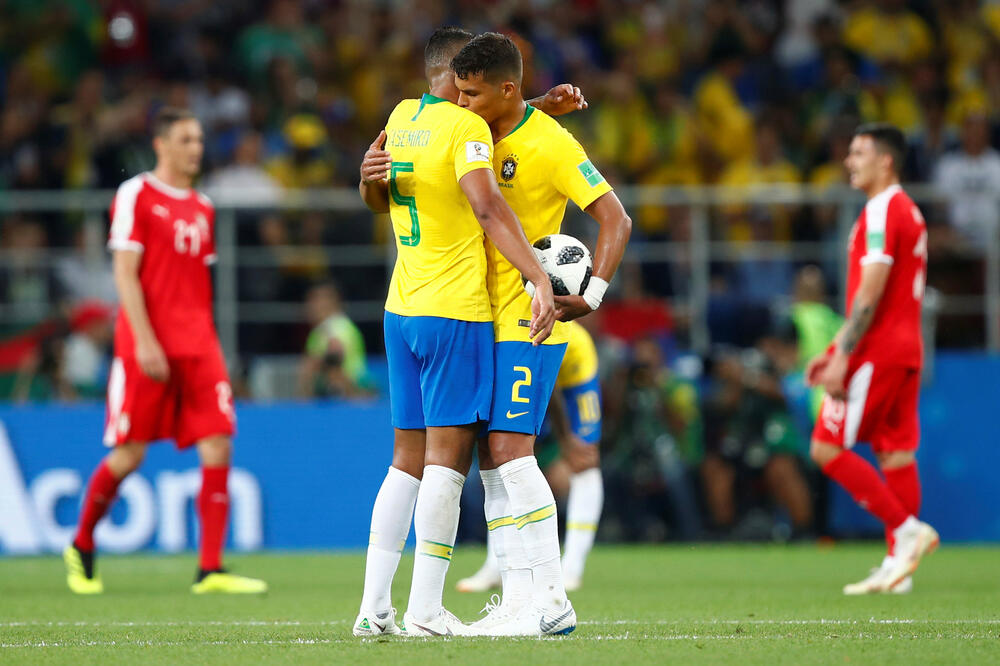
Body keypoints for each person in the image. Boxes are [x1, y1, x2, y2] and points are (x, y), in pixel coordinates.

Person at [352, 27, 572, 637]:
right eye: (469, 86)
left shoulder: (400, 118)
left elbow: (380, 192)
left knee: (405, 461)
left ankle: (373, 610)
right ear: (455, 77)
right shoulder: (464, 127)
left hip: (401, 306)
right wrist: (537, 278)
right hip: (457, 311)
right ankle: (424, 609)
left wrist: (532, 112)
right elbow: (487, 206)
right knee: (448, 468)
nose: (474, 97)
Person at [451, 32, 631, 636]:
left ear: (504, 87)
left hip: (530, 320)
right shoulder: (476, 125)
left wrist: (592, 295)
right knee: (491, 458)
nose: (461, 101)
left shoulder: (553, 145)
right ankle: (520, 598)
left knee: (511, 454)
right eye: (458, 90)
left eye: (473, 92)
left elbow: (615, 217)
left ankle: (550, 599)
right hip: (478, 313)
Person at [63, 107, 267, 595]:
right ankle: (83, 543)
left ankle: (210, 569)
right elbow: (125, 274)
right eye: (186, 139)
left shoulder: (203, 206)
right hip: (145, 344)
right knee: (129, 455)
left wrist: (208, 342)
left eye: (199, 139)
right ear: (161, 144)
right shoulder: (136, 194)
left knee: (218, 441)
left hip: (198, 344)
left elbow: (194, 283)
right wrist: (145, 339)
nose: (196, 148)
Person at [806, 123, 938, 595]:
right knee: (895, 453)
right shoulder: (908, 210)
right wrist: (833, 349)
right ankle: (897, 567)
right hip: (905, 349)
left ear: (886, 161)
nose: (848, 161)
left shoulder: (883, 209)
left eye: (858, 152)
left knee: (825, 446)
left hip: (878, 349)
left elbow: (872, 289)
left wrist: (842, 353)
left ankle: (906, 532)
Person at [457, 320, 604, 594]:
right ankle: (497, 565)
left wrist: (566, 439)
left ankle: (571, 568)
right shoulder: (499, 326)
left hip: (569, 378)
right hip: (530, 383)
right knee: (503, 466)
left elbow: (552, 388)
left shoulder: (576, 344)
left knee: (585, 462)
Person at [298, 281, 370, 398]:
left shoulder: (337, 328)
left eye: (315, 301)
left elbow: (334, 356)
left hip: (351, 391)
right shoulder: (319, 332)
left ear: (331, 302)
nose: (310, 306)